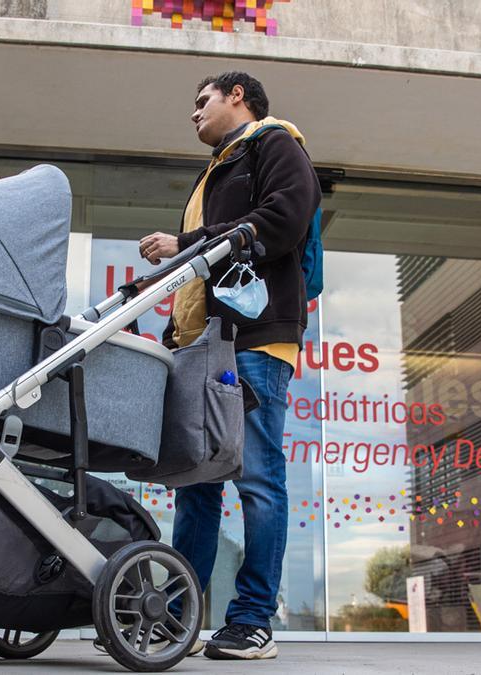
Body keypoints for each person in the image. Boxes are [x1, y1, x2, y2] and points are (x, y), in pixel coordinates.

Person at [137, 71, 321, 660]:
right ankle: (178, 619)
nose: (193, 113)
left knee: (259, 479)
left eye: (202, 101)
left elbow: (286, 218)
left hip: (255, 339)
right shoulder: (217, 168)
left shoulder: (276, 144)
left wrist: (189, 243)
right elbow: (203, 269)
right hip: (203, 341)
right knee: (196, 484)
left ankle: (252, 621)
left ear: (236, 96)